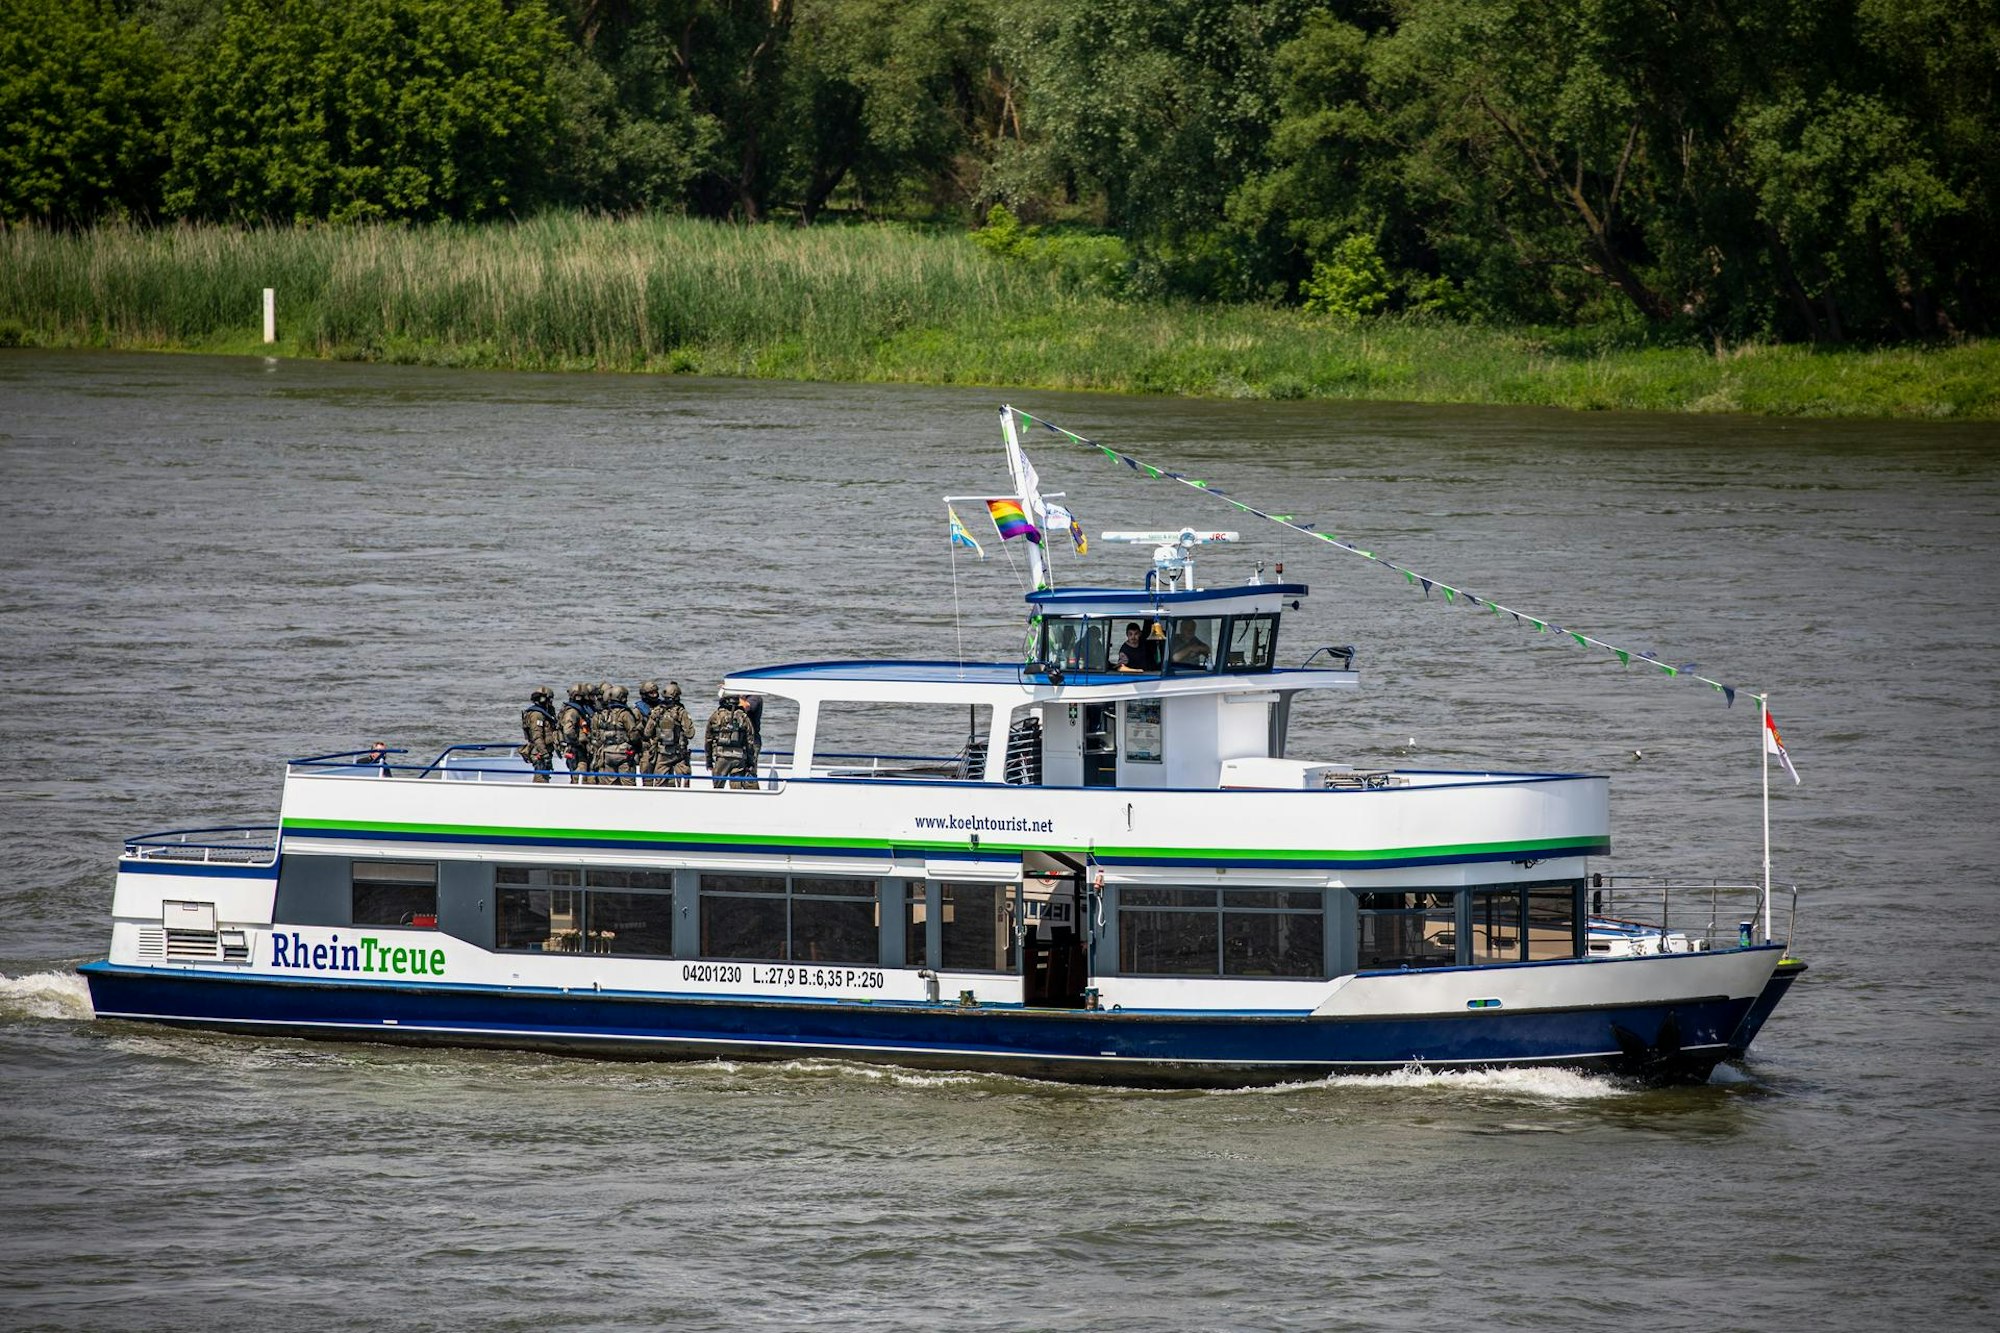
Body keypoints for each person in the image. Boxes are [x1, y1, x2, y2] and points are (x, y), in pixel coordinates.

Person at [642, 681, 695, 787]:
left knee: (660, 782)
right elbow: (690, 734)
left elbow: (647, 733)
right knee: (684, 780)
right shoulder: (681, 712)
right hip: (679, 753)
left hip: (662, 753)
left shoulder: (657, 711)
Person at [705, 690, 755, 788]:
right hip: (739, 757)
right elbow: (750, 741)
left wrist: (709, 761)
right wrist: (750, 761)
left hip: (721, 756)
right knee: (736, 788)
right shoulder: (744, 717)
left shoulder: (716, 716)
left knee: (718, 787)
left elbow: (708, 740)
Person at [593, 684, 641, 786]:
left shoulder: (604, 714)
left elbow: (597, 734)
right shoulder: (625, 714)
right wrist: (637, 746)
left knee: (611, 784)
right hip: (623, 753)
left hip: (607, 753)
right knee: (628, 784)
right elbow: (633, 734)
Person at [517, 686, 560, 783]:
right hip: (539, 752)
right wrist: (544, 754)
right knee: (541, 778)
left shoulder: (543, 713)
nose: (550, 702)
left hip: (543, 750)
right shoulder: (537, 715)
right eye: (549, 699)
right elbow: (537, 736)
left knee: (544, 776)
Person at [556, 683, 593, 785]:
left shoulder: (574, 710)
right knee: (580, 778)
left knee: (579, 776)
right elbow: (568, 731)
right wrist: (578, 743)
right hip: (576, 750)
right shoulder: (573, 712)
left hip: (577, 749)